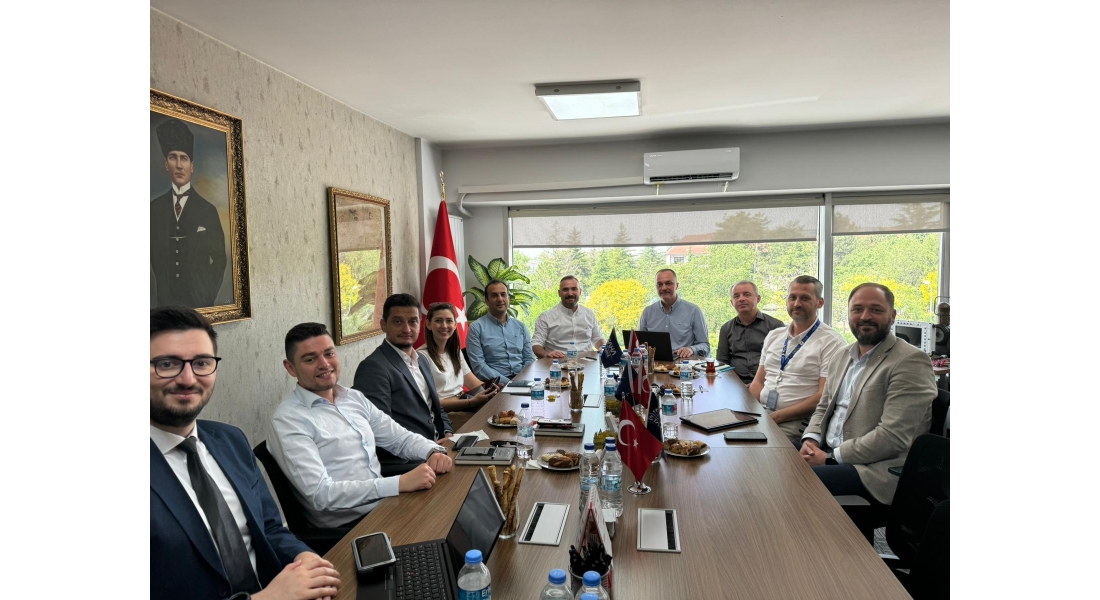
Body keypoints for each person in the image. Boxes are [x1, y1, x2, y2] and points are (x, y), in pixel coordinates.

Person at [150, 307, 340, 600]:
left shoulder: (230, 440)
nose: (188, 378)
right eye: (166, 364)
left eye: (201, 363)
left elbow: (269, 528)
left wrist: (304, 557)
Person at [269, 321, 453, 529]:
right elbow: (321, 494)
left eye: (329, 354)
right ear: (290, 368)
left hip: (385, 506)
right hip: (348, 529)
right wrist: (398, 483)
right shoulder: (289, 420)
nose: (324, 364)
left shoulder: (353, 398)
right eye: (310, 359)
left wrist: (432, 451)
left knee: (455, 512)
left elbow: (399, 438)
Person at [800, 283, 937, 506]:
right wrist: (811, 440)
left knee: (792, 482)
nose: (865, 316)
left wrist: (831, 458)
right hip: (827, 450)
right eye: (857, 309)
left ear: (892, 315)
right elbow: (824, 407)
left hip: (873, 469)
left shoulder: (910, 361)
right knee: (772, 463)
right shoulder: (842, 355)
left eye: (876, 309)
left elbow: (892, 437)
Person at [353, 293, 455, 474]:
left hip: (437, 449)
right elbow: (379, 430)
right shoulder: (373, 367)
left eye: (413, 321)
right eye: (398, 322)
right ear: (383, 324)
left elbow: (435, 407)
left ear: (420, 324)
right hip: (408, 462)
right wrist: (427, 450)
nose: (407, 329)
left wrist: (448, 433)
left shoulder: (422, 360)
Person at [749, 276, 846, 444]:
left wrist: (775, 417)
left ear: (820, 303)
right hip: (762, 413)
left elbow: (823, 396)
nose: (797, 303)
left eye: (805, 298)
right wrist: (753, 413)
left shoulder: (831, 342)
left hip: (796, 421)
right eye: (792, 297)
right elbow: (758, 381)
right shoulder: (774, 336)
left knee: (756, 450)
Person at [150, 118, 227, 308]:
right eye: (173, 157)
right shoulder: (154, 209)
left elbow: (220, 259)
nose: (179, 165)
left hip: (199, 304)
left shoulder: (208, 211)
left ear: (191, 167)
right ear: (166, 164)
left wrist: (207, 294)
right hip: (165, 306)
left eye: (184, 158)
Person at [418, 302, 501, 431]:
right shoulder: (421, 357)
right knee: (490, 424)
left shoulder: (454, 351)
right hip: (444, 414)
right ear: (428, 324)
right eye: (438, 321)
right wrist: (471, 402)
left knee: (500, 412)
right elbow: (429, 403)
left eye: (449, 321)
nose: (444, 326)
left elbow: (473, 384)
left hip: (465, 403)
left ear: (455, 324)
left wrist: (490, 393)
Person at [466, 279, 536, 384]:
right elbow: (479, 367)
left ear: (508, 298)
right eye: (494, 295)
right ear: (486, 301)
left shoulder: (520, 327)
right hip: (495, 385)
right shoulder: (476, 328)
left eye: (503, 294)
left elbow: (529, 359)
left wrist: (522, 380)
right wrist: (508, 383)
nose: (500, 299)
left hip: (522, 380)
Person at [716, 280, 785, 384]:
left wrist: (756, 386)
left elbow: (781, 363)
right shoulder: (726, 328)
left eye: (747, 294)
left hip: (767, 384)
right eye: (736, 296)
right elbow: (722, 364)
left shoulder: (775, 326)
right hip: (735, 385)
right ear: (732, 302)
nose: (741, 299)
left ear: (758, 298)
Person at [637, 268, 710, 359]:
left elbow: (705, 346)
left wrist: (691, 349)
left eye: (668, 283)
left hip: (684, 364)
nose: (664, 288)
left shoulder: (694, 311)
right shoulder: (647, 312)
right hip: (655, 364)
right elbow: (639, 344)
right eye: (659, 284)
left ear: (677, 286)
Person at [532, 276, 606, 358]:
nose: (570, 293)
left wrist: (604, 347)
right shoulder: (546, 317)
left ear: (580, 291)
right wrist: (546, 354)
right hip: (557, 362)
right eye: (565, 290)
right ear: (559, 293)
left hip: (587, 361)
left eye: (574, 289)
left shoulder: (589, 314)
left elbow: (598, 338)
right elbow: (536, 344)